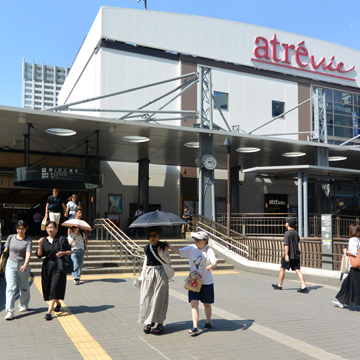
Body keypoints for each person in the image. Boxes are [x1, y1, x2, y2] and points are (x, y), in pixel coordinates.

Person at [166, 231, 218, 336]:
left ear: (205, 241)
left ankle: (208, 321)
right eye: (195, 239)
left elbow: (214, 261)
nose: (196, 241)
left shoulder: (209, 250)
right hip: (193, 282)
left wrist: (211, 266)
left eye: (199, 239)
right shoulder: (190, 248)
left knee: (207, 304)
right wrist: (170, 246)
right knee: (194, 304)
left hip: (206, 282)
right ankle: (195, 326)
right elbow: (178, 252)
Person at [36, 221, 72, 320]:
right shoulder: (43, 240)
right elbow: (39, 255)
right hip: (47, 267)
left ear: (56, 229)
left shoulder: (61, 239)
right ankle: (58, 303)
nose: (50, 229)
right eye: (48, 227)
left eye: (52, 227)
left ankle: (49, 312)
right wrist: (39, 245)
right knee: (49, 288)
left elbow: (70, 251)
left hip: (59, 266)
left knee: (54, 288)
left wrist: (63, 253)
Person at [138, 226, 170, 335]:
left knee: (160, 299)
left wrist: (161, 254)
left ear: (159, 235)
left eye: (154, 235)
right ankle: (149, 321)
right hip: (149, 274)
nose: (152, 238)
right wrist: (141, 277)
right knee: (147, 298)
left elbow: (168, 260)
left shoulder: (163, 246)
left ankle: (160, 323)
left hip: (161, 273)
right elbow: (145, 263)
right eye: (150, 236)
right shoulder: (147, 248)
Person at [0, 220, 32, 320]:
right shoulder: (11, 237)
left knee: (24, 287)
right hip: (10, 264)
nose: (20, 231)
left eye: (22, 229)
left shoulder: (28, 240)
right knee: (10, 288)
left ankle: (23, 304)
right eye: (18, 229)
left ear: (26, 229)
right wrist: (0, 263)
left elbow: (28, 254)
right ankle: (10, 311)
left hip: (23, 264)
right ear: (16, 228)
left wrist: (25, 265)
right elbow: (5, 252)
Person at [272, 218, 308, 293]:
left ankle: (279, 285)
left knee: (282, 269)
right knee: (298, 270)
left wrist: (286, 255)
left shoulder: (287, 233)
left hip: (289, 255)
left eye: (286, 222)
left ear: (288, 224)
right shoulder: (296, 233)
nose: (285, 223)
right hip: (296, 255)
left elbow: (286, 245)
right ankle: (304, 286)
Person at [332, 224, 360, 308]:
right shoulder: (359, 239)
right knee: (347, 284)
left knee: (352, 285)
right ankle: (341, 301)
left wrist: (346, 251)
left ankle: (341, 301)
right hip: (357, 266)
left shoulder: (352, 240)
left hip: (354, 265)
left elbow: (354, 253)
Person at [68, 209, 88, 285]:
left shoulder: (82, 234)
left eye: (76, 228)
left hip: (81, 250)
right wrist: (72, 239)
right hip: (74, 250)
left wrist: (87, 249)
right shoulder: (71, 235)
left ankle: (78, 276)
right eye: (79, 212)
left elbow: (85, 241)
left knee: (80, 264)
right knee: (75, 263)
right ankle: (76, 277)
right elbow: (69, 243)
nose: (75, 229)